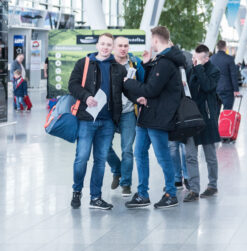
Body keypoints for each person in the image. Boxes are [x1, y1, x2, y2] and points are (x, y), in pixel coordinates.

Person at [123, 26, 186, 209]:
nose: (151, 43)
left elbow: (151, 89)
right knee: (139, 153)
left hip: (159, 117)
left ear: (156, 40)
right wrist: (146, 63)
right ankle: (142, 194)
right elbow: (153, 83)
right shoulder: (160, 61)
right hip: (149, 114)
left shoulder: (166, 62)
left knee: (162, 155)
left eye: (152, 40)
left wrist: (129, 83)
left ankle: (170, 193)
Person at [68, 33, 126, 210]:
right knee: (82, 158)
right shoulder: (83, 63)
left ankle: (96, 197)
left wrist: (141, 97)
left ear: (113, 47)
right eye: (103, 44)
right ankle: (77, 191)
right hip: (86, 119)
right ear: (97, 45)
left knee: (100, 161)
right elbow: (72, 85)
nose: (105, 47)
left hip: (107, 121)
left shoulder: (118, 68)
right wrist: (86, 97)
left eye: (109, 44)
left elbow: (126, 89)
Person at [106, 36, 145, 197]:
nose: (123, 48)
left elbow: (143, 85)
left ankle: (126, 183)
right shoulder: (106, 64)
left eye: (126, 46)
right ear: (114, 47)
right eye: (120, 46)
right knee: (104, 148)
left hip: (129, 112)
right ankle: (117, 169)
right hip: (108, 112)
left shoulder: (135, 64)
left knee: (127, 150)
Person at [183, 44, 222, 202]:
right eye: (193, 57)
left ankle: (212, 185)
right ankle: (194, 189)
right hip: (191, 118)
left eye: (197, 58)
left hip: (206, 118)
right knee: (190, 156)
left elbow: (207, 86)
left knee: (210, 155)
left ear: (206, 58)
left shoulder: (214, 71)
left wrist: (199, 68)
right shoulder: (191, 69)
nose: (194, 60)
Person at [210, 40, 241, 109]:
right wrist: (236, 90)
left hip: (215, 89)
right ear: (225, 47)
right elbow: (233, 75)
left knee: (215, 112)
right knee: (227, 113)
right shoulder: (229, 59)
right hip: (227, 90)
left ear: (217, 47)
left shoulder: (212, 58)